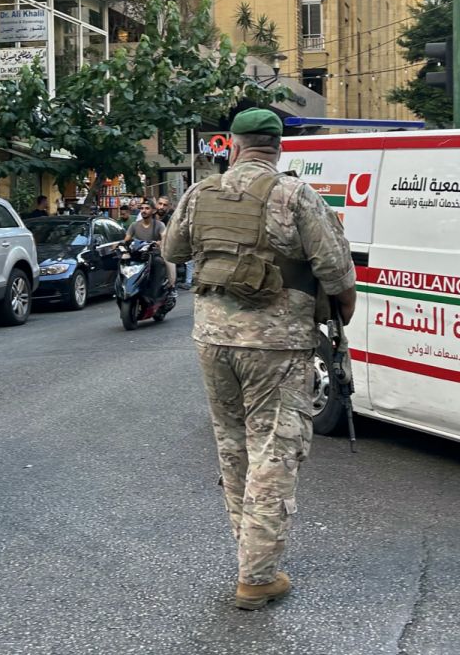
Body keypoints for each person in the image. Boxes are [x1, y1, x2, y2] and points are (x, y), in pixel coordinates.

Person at [163, 108, 355, 611]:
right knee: (274, 447)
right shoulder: (296, 195)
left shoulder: (199, 193)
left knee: (232, 445)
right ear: (278, 146)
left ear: (231, 144)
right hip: (277, 344)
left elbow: (172, 249)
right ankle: (257, 574)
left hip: (213, 339)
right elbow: (336, 271)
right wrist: (341, 313)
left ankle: (248, 554)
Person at [124, 201, 175, 290]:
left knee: (165, 260)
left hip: (154, 254)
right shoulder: (134, 225)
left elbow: (164, 237)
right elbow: (126, 239)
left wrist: (160, 242)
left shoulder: (159, 225)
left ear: (153, 211)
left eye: (147, 208)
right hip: (138, 254)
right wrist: (121, 244)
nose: (144, 211)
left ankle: (171, 286)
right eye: (142, 208)